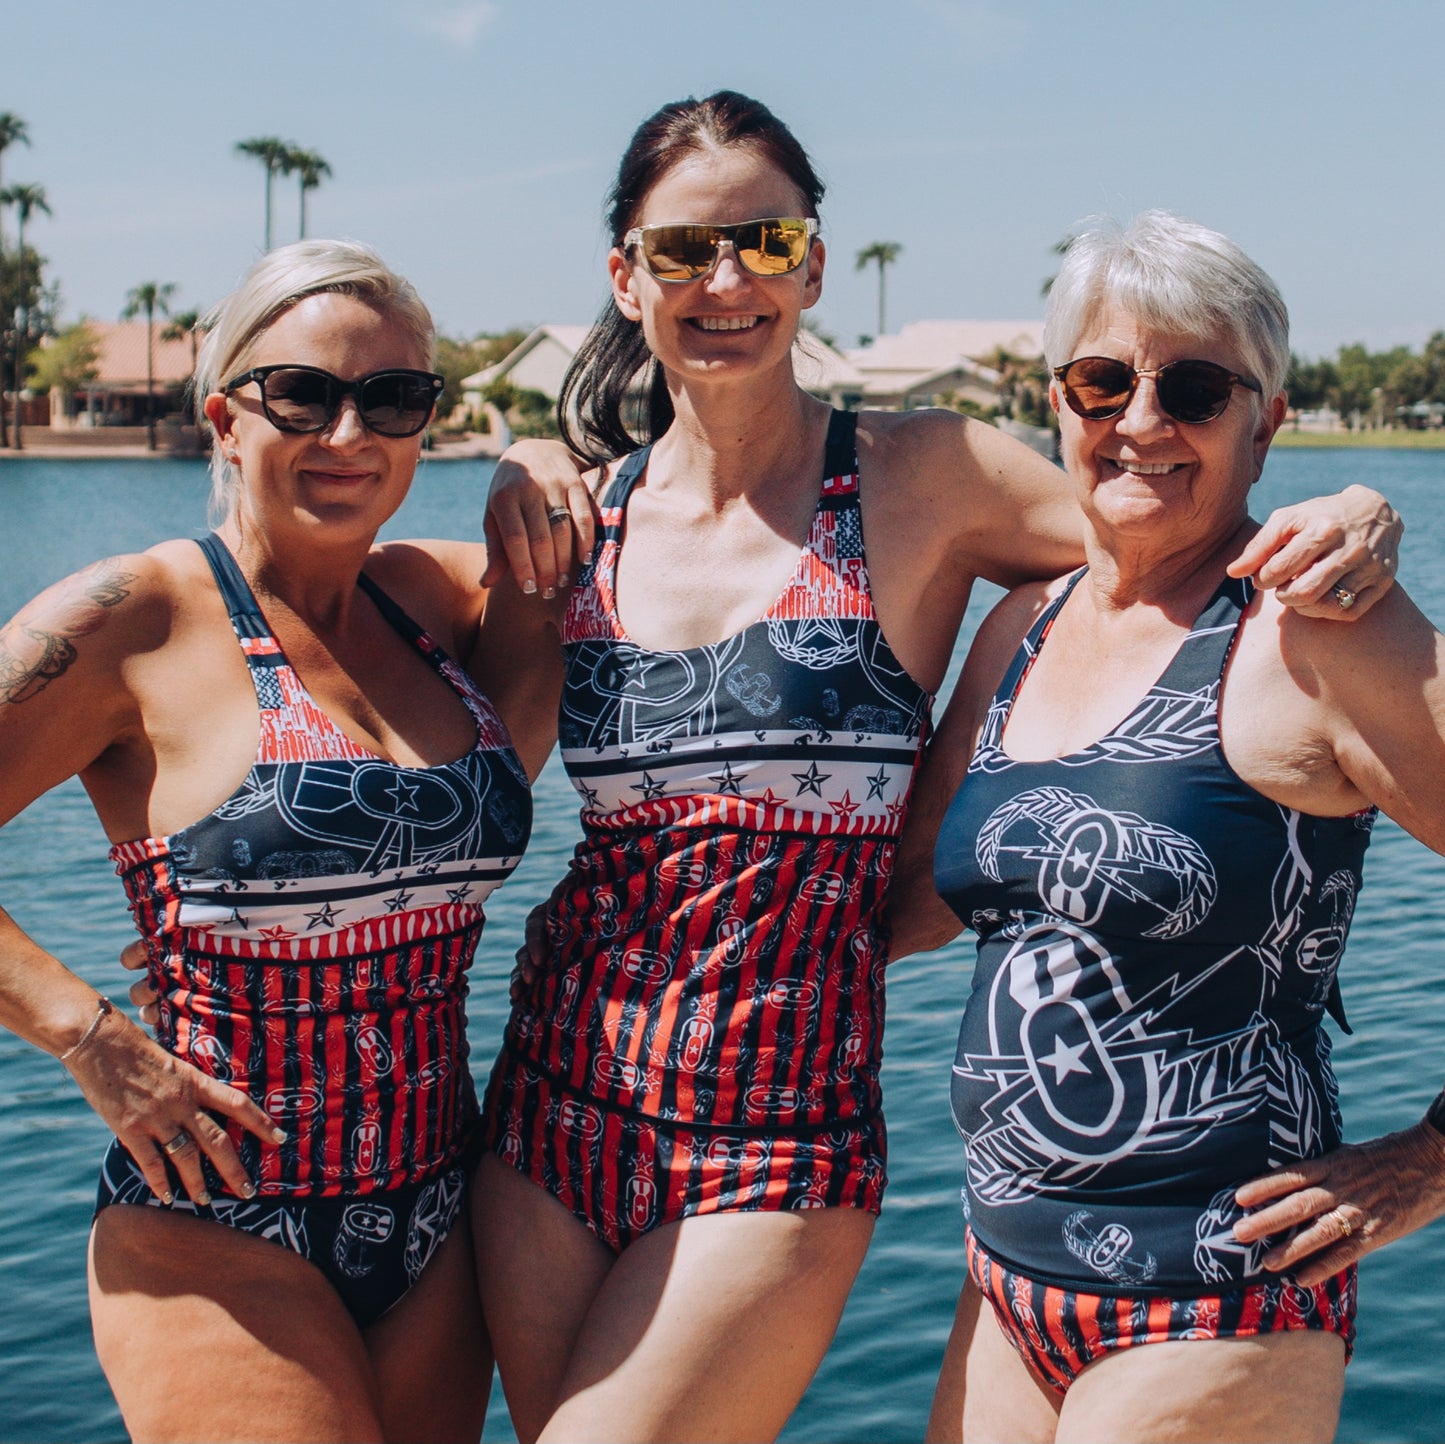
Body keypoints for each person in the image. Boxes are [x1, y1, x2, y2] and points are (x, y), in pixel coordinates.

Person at [471, 93, 1401, 1443]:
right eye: (683, 249)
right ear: (626, 275)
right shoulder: (579, 521)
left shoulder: (924, 478)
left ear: (812, 264)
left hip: (782, 1126)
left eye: (765, 241)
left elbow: (1156, 518)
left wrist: (1350, 512)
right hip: (550, 1104)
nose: (726, 279)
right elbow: (456, 759)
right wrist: (525, 460)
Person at [886, 210, 1445, 1444]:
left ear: (1264, 424)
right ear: (1057, 402)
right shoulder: (1020, 627)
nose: (1139, 420)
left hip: (1218, 1298)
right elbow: (907, 905)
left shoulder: (1313, 631)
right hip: (1001, 1281)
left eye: (1192, 389)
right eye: (1102, 381)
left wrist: (1428, 1161)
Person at [0, 239, 550, 1443]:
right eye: (303, 394)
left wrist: (540, 460)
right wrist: (90, 1036)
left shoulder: (434, 603)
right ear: (225, 418)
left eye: (394, 398)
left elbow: (622, 562)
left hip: (435, 1219)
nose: (349, 433)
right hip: (212, 1223)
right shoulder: (135, 617)